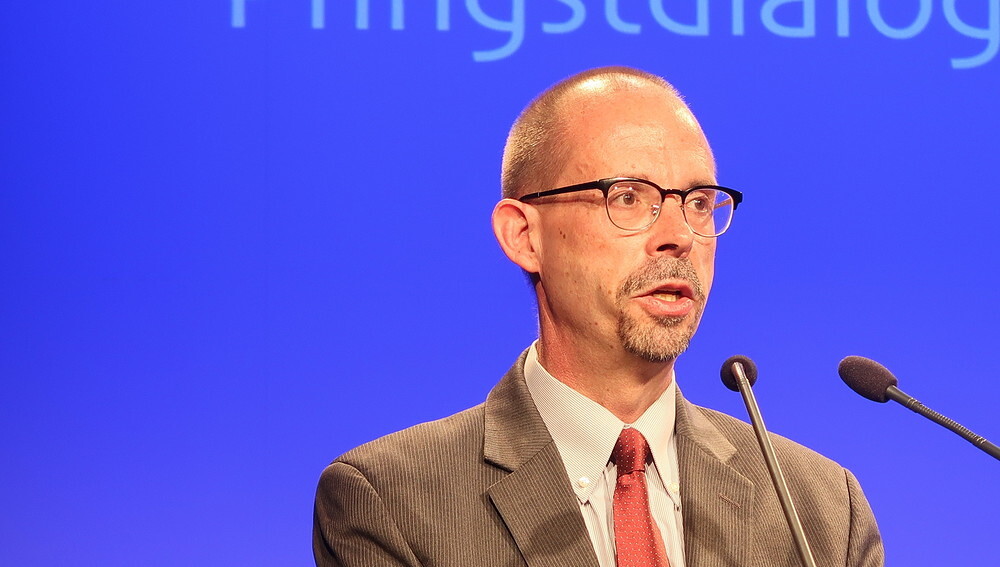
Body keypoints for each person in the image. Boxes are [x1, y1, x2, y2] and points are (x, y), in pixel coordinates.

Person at [313, 66, 884, 567]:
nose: (679, 236)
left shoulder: (821, 509)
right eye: (628, 197)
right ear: (524, 236)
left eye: (698, 202)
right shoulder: (392, 502)